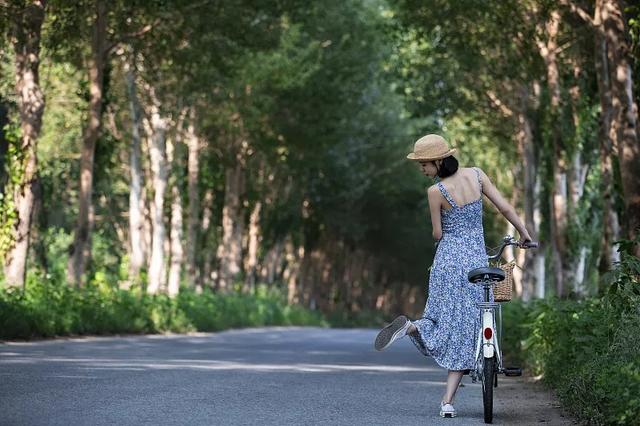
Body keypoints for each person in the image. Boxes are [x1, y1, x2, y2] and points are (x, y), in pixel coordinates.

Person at [374, 134, 533, 418]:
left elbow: (438, 234)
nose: (422, 170)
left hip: (447, 263)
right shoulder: (477, 175)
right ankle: (446, 401)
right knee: (468, 329)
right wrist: (524, 234)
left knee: (447, 322)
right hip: (475, 261)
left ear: (438, 161)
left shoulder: (435, 193)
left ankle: (412, 328)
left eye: (424, 164)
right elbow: (505, 207)